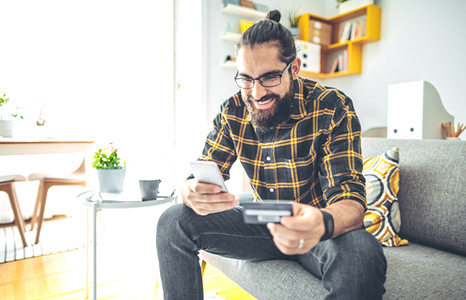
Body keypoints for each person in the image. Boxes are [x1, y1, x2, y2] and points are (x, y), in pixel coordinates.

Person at [157, 10, 386, 300]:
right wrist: (191, 190)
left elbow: (351, 202)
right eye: (246, 79)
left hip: (317, 227)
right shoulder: (233, 110)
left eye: (269, 77)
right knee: (172, 221)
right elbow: (204, 171)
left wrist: (321, 222)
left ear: (294, 68)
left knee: (361, 250)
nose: (256, 92)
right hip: (262, 218)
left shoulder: (332, 107)